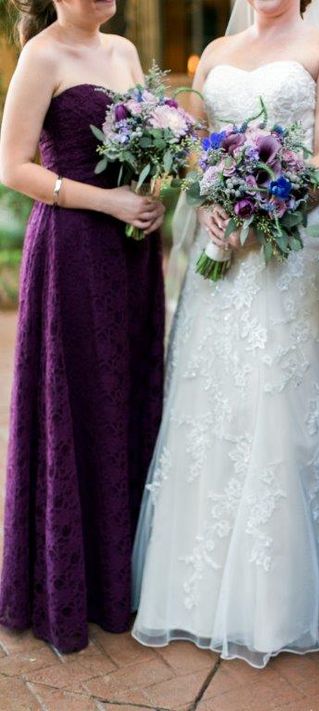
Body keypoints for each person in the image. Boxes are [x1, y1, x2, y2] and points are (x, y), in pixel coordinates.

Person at [131, 0, 319, 668]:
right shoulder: (218, 59)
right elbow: (201, 160)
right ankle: (194, 594)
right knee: (211, 413)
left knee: (276, 408)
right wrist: (210, 207)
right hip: (222, 266)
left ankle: (275, 599)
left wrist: (268, 203)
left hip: (288, 260)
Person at [0, 0, 165, 653]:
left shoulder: (125, 51)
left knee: (123, 398)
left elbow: (151, 141)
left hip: (131, 252)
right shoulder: (41, 55)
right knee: (80, 402)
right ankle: (72, 584)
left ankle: (117, 575)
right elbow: (12, 166)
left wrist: (156, 184)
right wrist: (108, 199)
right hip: (73, 248)